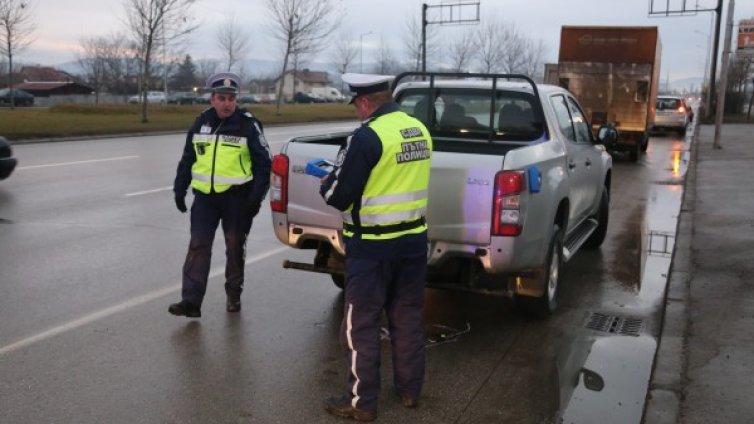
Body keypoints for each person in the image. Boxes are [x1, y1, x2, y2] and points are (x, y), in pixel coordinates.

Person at [320, 73, 433, 421]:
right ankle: (410, 390)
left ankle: (361, 402)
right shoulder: (419, 130)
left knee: (361, 325)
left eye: (356, 105)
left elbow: (338, 196)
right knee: (407, 318)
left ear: (366, 102)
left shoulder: (366, 137)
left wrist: (326, 180)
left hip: (373, 247)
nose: (357, 112)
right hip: (413, 242)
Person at [169, 72, 271, 318]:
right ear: (212, 99)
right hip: (205, 199)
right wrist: (180, 189)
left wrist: (255, 199)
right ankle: (191, 301)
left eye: (231, 99)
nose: (227, 103)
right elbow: (188, 159)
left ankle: (233, 294)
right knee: (198, 246)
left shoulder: (248, 124)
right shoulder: (201, 122)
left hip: (237, 199)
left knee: (234, 247)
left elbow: (264, 164)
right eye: (222, 98)